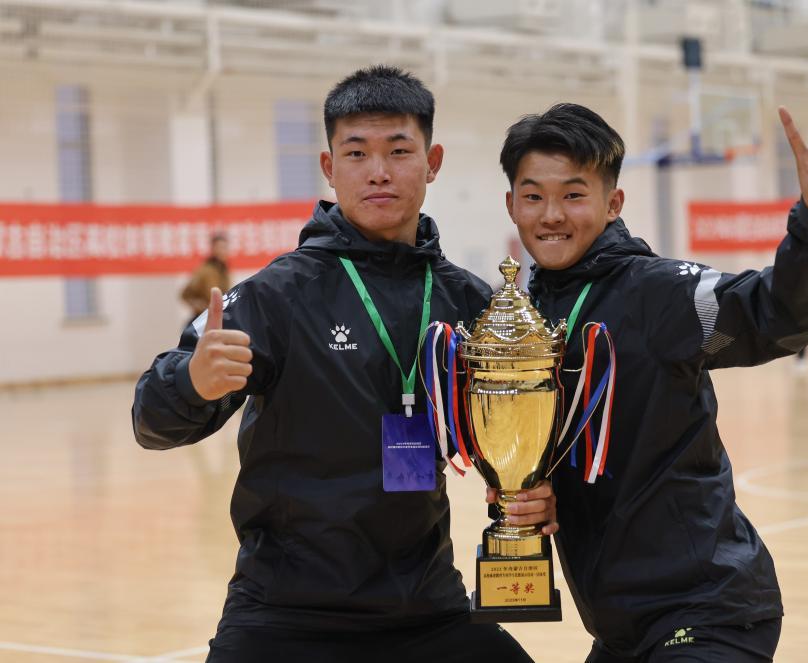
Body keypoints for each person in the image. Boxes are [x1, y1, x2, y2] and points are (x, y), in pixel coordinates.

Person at [132, 65, 556, 663]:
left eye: (398, 151)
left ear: (432, 161)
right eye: (356, 153)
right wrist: (190, 383)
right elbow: (150, 420)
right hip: (285, 612)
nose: (378, 171)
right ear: (330, 168)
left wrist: (536, 492)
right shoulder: (275, 296)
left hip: (425, 608)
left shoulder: (471, 303)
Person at [496, 98, 808, 662]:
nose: (552, 215)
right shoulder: (526, 319)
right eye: (534, 196)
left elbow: (777, 311)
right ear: (512, 205)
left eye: (574, 195)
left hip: (706, 612)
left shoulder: (660, 293)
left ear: (613, 203)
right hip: (620, 632)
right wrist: (534, 492)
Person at [181, 233, 232, 320]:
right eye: (219, 247)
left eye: (224, 248)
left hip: (219, 317)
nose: (222, 251)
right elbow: (186, 295)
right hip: (204, 318)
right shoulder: (204, 271)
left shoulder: (224, 270)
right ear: (213, 249)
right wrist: (202, 308)